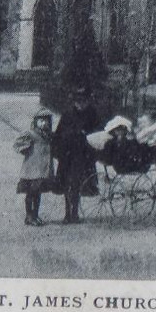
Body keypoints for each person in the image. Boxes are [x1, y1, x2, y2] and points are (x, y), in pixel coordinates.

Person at [53, 92, 100, 224]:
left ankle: (75, 213)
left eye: (83, 101)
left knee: (76, 184)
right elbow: (59, 132)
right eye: (78, 102)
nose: (80, 105)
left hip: (83, 155)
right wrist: (58, 150)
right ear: (74, 102)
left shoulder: (92, 114)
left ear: (87, 101)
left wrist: (86, 135)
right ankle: (67, 214)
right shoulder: (67, 115)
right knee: (66, 184)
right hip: (67, 155)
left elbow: (97, 132)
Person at [13, 108, 57, 225]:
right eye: (40, 121)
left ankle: (35, 215)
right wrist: (25, 147)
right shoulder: (30, 134)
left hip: (42, 170)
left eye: (46, 121)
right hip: (31, 169)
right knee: (30, 193)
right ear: (35, 121)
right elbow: (18, 144)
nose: (43, 123)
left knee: (38, 193)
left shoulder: (48, 136)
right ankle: (29, 216)